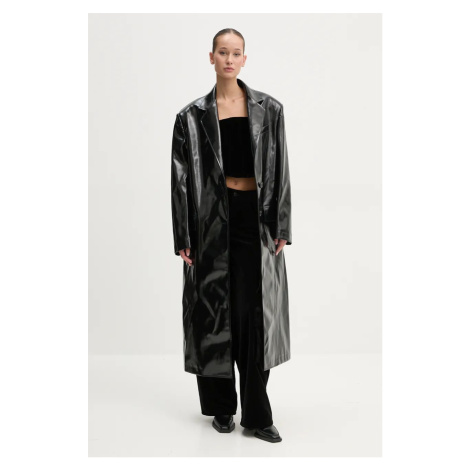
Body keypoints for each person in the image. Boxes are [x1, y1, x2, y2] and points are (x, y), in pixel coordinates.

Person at [171, 28, 292, 444]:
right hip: (211, 222)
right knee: (214, 312)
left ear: (244, 59)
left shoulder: (269, 109)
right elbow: (180, 181)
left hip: (255, 220)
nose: (228, 59)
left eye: (235, 53)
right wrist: (183, 234)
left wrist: (281, 224)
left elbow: (281, 169)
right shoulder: (191, 117)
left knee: (254, 316)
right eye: (222, 52)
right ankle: (221, 407)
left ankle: (257, 414)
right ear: (211, 57)